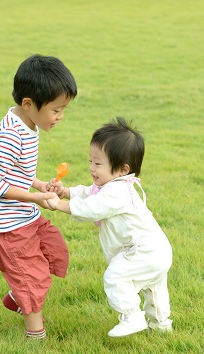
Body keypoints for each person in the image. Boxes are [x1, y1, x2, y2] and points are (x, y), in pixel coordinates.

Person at [0, 54, 77, 340]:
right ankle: (36, 336)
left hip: (22, 214)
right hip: (3, 224)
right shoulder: (10, 135)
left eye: (63, 109)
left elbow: (15, 169)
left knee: (54, 251)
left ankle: (16, 298)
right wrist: (33, 198)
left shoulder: (29, 124)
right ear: (29, 104)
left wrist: (39, 183)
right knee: (31, 276)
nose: (60, 116)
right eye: (56, 110)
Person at [45, 117, 173, 337]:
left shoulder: (116, 192)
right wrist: (66, 192)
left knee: (115, 277)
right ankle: (161, 325)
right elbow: (89, 193)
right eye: (90, 161)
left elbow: (92, 209)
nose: (91, 168)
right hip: (157, 250)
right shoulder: (113, 185)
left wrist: (59, 204)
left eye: (98, 164)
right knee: (153, 287)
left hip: (142, 251)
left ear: (123, 169)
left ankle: (132, 316)